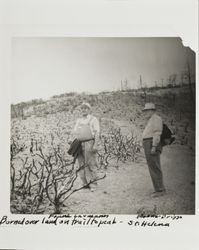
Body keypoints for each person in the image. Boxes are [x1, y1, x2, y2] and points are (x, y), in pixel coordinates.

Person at [72, 102, 101, 192]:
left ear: (89, 109)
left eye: (85, 108)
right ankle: (84, 183)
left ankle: (93, 184)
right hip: (79, 144)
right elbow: (75, 132)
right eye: (82, 108)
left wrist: (95, 145)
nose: (83, 110)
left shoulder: (93, 119)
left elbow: (97, 133)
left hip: (89, 143)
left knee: (91, 163)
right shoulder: (78, 120)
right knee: (81, 164)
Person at [142, 103, 166, 198]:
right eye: (145, 111)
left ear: (152, 110)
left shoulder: (156, 119)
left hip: (151, 144)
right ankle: (159, 188)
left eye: (147, 110)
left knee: (154, 167)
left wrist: (154, 146)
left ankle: (160, 190)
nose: (146, 112)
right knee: (153, 166)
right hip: (149, 144)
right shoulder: (152, 119)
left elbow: (157, 133)